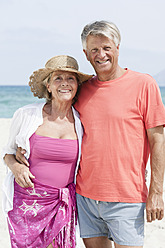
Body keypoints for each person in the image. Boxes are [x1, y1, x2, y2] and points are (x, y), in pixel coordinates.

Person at [15, 21, 165, 248]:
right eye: (94, 49)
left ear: (117, 47)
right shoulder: (82, 90)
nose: (101, 54)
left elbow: (158, 140)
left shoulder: (144, 84)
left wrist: (156, 191)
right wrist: (23, 144)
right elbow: (56, 119)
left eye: (106, 48)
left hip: (127, 197)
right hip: (85, 198)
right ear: (85, 54)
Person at [1, 55, 92, 248]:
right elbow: (8, 153)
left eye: (70, 79)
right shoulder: (26, 115)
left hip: (61, 203)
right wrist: (16, 167)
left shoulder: (82, 121)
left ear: (77, 86)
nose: (64, 84)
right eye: (58, 78)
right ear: (48, 86)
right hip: (26, 202)